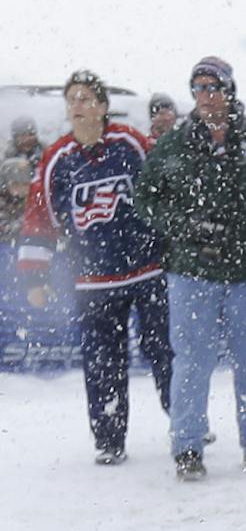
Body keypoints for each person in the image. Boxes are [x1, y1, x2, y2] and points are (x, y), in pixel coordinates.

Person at [136, 55, 246, 479]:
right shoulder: (174, 144)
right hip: (192, 273)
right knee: (192, 361)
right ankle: (188, 447)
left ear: (229, 91)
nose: (207, 97)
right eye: (199, 89)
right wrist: (182, 224)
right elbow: (145, 198)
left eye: (214, 88)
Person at [14, 70, 172, 464]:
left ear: (102, 107)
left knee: (166, 351)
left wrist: (175, 243)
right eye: (72, 100)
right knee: (103, 364)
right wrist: (35, 275)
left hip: (147, 272)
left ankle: (186, 424)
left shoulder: (131, 143)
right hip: (93, 281)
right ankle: (109, 439)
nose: (78, 106)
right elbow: (39, 219)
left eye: (86, 98)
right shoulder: (57, 160)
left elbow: (168, 189)